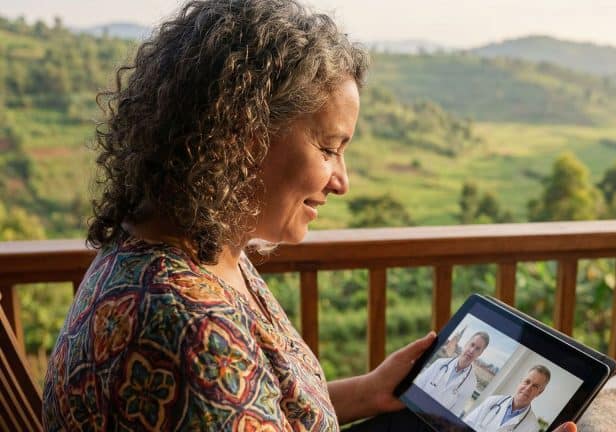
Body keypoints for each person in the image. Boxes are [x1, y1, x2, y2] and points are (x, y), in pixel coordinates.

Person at [41, 1, 577, 431]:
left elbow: (256, 407)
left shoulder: (196, 254)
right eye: (329, 148)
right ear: (243, 138)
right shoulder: (186, 325)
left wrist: (364, 392)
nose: (342, 180)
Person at [414, 332, 489, 413]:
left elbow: (456, 412)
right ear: (466, 343)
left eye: (477, 349)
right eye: (472, 344)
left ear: (480, 353)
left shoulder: (471, 383)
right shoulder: (440, 363)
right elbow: (417, 386)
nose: (472, 350)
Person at [464, 365, 551, 432]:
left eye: (535, 386)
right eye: (527, 382)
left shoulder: (532, 428)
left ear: (540, 392)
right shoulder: (492, 401)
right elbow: (466, 424)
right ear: (521, 381)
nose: (528, 388)